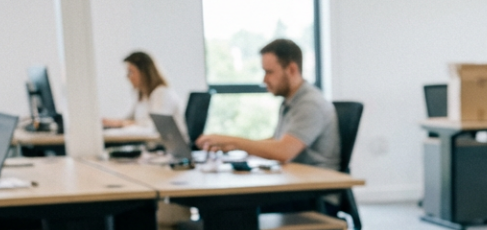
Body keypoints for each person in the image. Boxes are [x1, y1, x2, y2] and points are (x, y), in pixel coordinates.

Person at [196, 39, 340, 169]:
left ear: (292, 69)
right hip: (296, 182)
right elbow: (277, 142)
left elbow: (284, 151)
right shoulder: (290, 101)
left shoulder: (310, 104)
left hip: (316, 191)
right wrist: (232, 146)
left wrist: (235, 142)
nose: (264, 80)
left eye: (269, 72)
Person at [102, 51, 180, 130]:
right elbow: (131, 119)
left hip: (164, 141)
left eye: (131, 72)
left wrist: (122, 123)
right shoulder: (142, 95)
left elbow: (154, 126)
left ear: (144, 72)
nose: (128, 76)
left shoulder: (162, 93)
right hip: (148, 141)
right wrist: (112, 122)